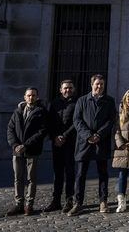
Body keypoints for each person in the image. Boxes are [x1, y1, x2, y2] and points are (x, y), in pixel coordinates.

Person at [69, 74, 117, 216]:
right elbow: (77, 120)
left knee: (103, 173)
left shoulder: (109, 101)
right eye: (97, 84)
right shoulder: (82, 100)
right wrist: (88, 135)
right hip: (84, 143)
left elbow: (111, 120)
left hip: (101, 143)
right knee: (80, 174)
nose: (99, 86)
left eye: (102, 84)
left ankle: (103, 201)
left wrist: (99, 135)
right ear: (92, 85)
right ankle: (77, 203)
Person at [6, 87, 47, 216]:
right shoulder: (17, 112)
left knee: (31, 179)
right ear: (24, 97)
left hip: (32, 151)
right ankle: (19, 204)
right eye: (29, 95)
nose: (31, 98)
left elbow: (41, 132)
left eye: (33, 95)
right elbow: (10, 130)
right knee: (18, 178)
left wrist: (26, 145)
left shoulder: (41, 112)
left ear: (37, 97)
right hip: (17, 151)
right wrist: (15, 145)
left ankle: (29, 205)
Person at [44, 80, 77, 213]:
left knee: (70, 172)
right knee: (57, 173)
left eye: (70, 88)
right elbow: (48, 122)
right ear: (60, 89)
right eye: (65, 88)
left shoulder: (77, 103)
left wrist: (64, 136)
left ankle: (69, 200)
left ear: (73, 89)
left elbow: (77, 122)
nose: (67, 90)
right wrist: (54, 137)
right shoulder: (54, 103)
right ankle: (56, 200)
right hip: (56, 143)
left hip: (70, 142)